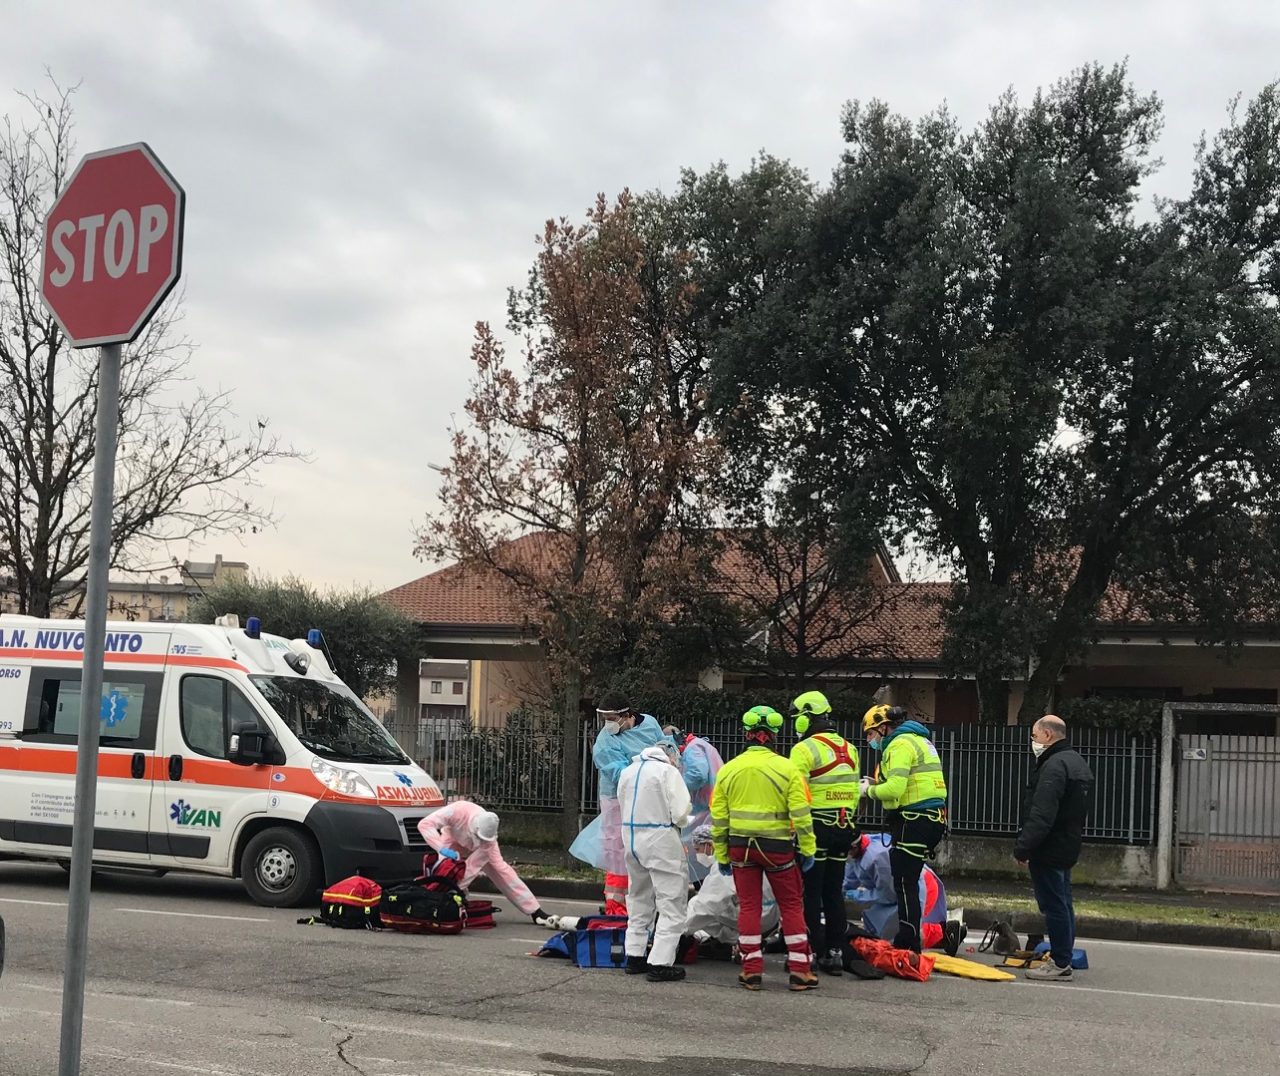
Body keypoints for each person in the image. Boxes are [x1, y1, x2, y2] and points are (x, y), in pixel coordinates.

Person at [709, 704, 819, 992]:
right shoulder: (788, 769)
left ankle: (751, 970)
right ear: (774, 735)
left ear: (746, 735)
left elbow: (719, 819)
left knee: (749, 907)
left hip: (740, 849)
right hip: (778, 848)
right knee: (792, 905)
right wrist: (808, 849)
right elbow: (802, 815)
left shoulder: (729, 770)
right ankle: (800, 972)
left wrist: (721, 854)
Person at [859, 705, 948, 953]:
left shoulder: (898, 745)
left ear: (884, 727)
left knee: (904, 882)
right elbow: (911, 783)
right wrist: (879, 784)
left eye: (871, 733)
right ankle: (910, 938)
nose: (870, 739)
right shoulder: (921, 741)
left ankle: (908, 943)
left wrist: (867, 790)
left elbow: (895, 791)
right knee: (909, 879)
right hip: (932, 819)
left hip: (913, 819)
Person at [1015, 714, 1094, 982]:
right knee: (1064, 902)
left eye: (1035, 736)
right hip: (1068, 843)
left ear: (1047, 735)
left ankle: (1060, 963)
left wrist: (1024, 847)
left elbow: (1042, 814)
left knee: (1053, 905)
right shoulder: (1076, 762)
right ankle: (1064, 956)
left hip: (1049, 847)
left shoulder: (1053, 766)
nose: (1033, 741)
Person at [569, 693, 665, 913]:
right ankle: (616, 903)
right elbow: (618, 773)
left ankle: (641, 899)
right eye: (605, 719)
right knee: (617, 845)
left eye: (612, 718)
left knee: (644, 843)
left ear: (626, 715)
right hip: (617, 795)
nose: (608, 724)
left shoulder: (649, 723)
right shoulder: (605, 742)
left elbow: (663, 746)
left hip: (649, 793)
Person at [789, 690, 860, 976]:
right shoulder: (850, 748)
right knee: (834, 892)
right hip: (843, 827)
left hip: (815, 828)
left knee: (810, 893)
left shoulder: (804, 749)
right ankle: (835, 951)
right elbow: (854, 793)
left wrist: (793, 829)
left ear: (807, 718)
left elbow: (795, 793)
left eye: (798, 718)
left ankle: (811, 952)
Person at [617, 738, 692, 982]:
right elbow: (681, 811)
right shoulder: (667, 772)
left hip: (631, 837)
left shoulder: (628, 771)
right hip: (660, 839)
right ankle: (660, 961)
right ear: (671, 755)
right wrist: (681, 824)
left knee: (638, 897)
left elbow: (621, 802)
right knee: (672, 901)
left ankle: (634, 954)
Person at [417, 800, 550, 924]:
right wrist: (441, 848)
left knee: (502, 871)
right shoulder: (457, 810)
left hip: (482, 849)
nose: (480, 841)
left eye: (483, 839)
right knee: (444, 869)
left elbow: (471, 869)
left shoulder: (488, 842)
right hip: (452, 840)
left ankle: (535, 911)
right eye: (479, 838)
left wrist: (457, 888)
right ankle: (436, 900)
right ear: (474, 828)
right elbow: (425, 824)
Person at [844, 833, 963, 955]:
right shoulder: (865, 848)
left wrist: (860, 895)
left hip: (917, 889)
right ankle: (943, 934)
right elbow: (849, 877)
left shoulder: (878, 857)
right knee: (887, 931)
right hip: (910, 887)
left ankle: (945, 932)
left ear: (854, 847)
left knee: (901, 935)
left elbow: (888, 895)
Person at [685, 825, 779, 947]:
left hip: (756, 914)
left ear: (709, 845)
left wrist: (679, 931)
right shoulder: (739, 853)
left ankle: (744, 940)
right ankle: (746, 939)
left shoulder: (723, 865)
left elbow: (708, 905)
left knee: (696, 903)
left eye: (698, 849)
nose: (697, 854)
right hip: (770, 912)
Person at [661, 723, 724, 882]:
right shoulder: (700, 745)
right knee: (706, 852)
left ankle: (703, 890)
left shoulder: (692, 749)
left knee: (700, 854)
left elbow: (697, 775)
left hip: (704, 809)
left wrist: (675, 787)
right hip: (711, 806)